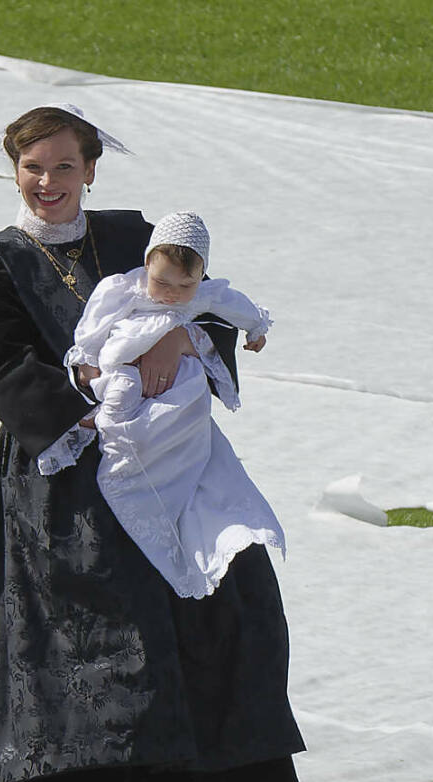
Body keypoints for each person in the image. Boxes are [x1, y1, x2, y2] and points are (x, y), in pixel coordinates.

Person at [0, 105, 305, 782]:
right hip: (61, 471)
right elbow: (2, 369)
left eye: (61, 167)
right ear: (13, 172)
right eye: (31, 168)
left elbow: (204, 297)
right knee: (104, 637)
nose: (46, 183)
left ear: (90, 170)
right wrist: (85, 391)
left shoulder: (131, 237)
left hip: (170, 458)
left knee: (222, 594)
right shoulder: (0, 264)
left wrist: (183, 338)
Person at [61, 210, 284, 599]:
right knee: (122, 390)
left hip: (179, 373)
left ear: (200, 277)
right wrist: (87, 358)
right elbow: (94, 323)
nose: (170, 294)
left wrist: (256, 329)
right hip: (126, 362)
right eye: (162, 281)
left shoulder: (202, 295)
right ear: (148, 263)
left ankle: (174, 464)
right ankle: (112, 438)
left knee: (191, 400)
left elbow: (234, 304)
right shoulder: (124, 289)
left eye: (185, 286)